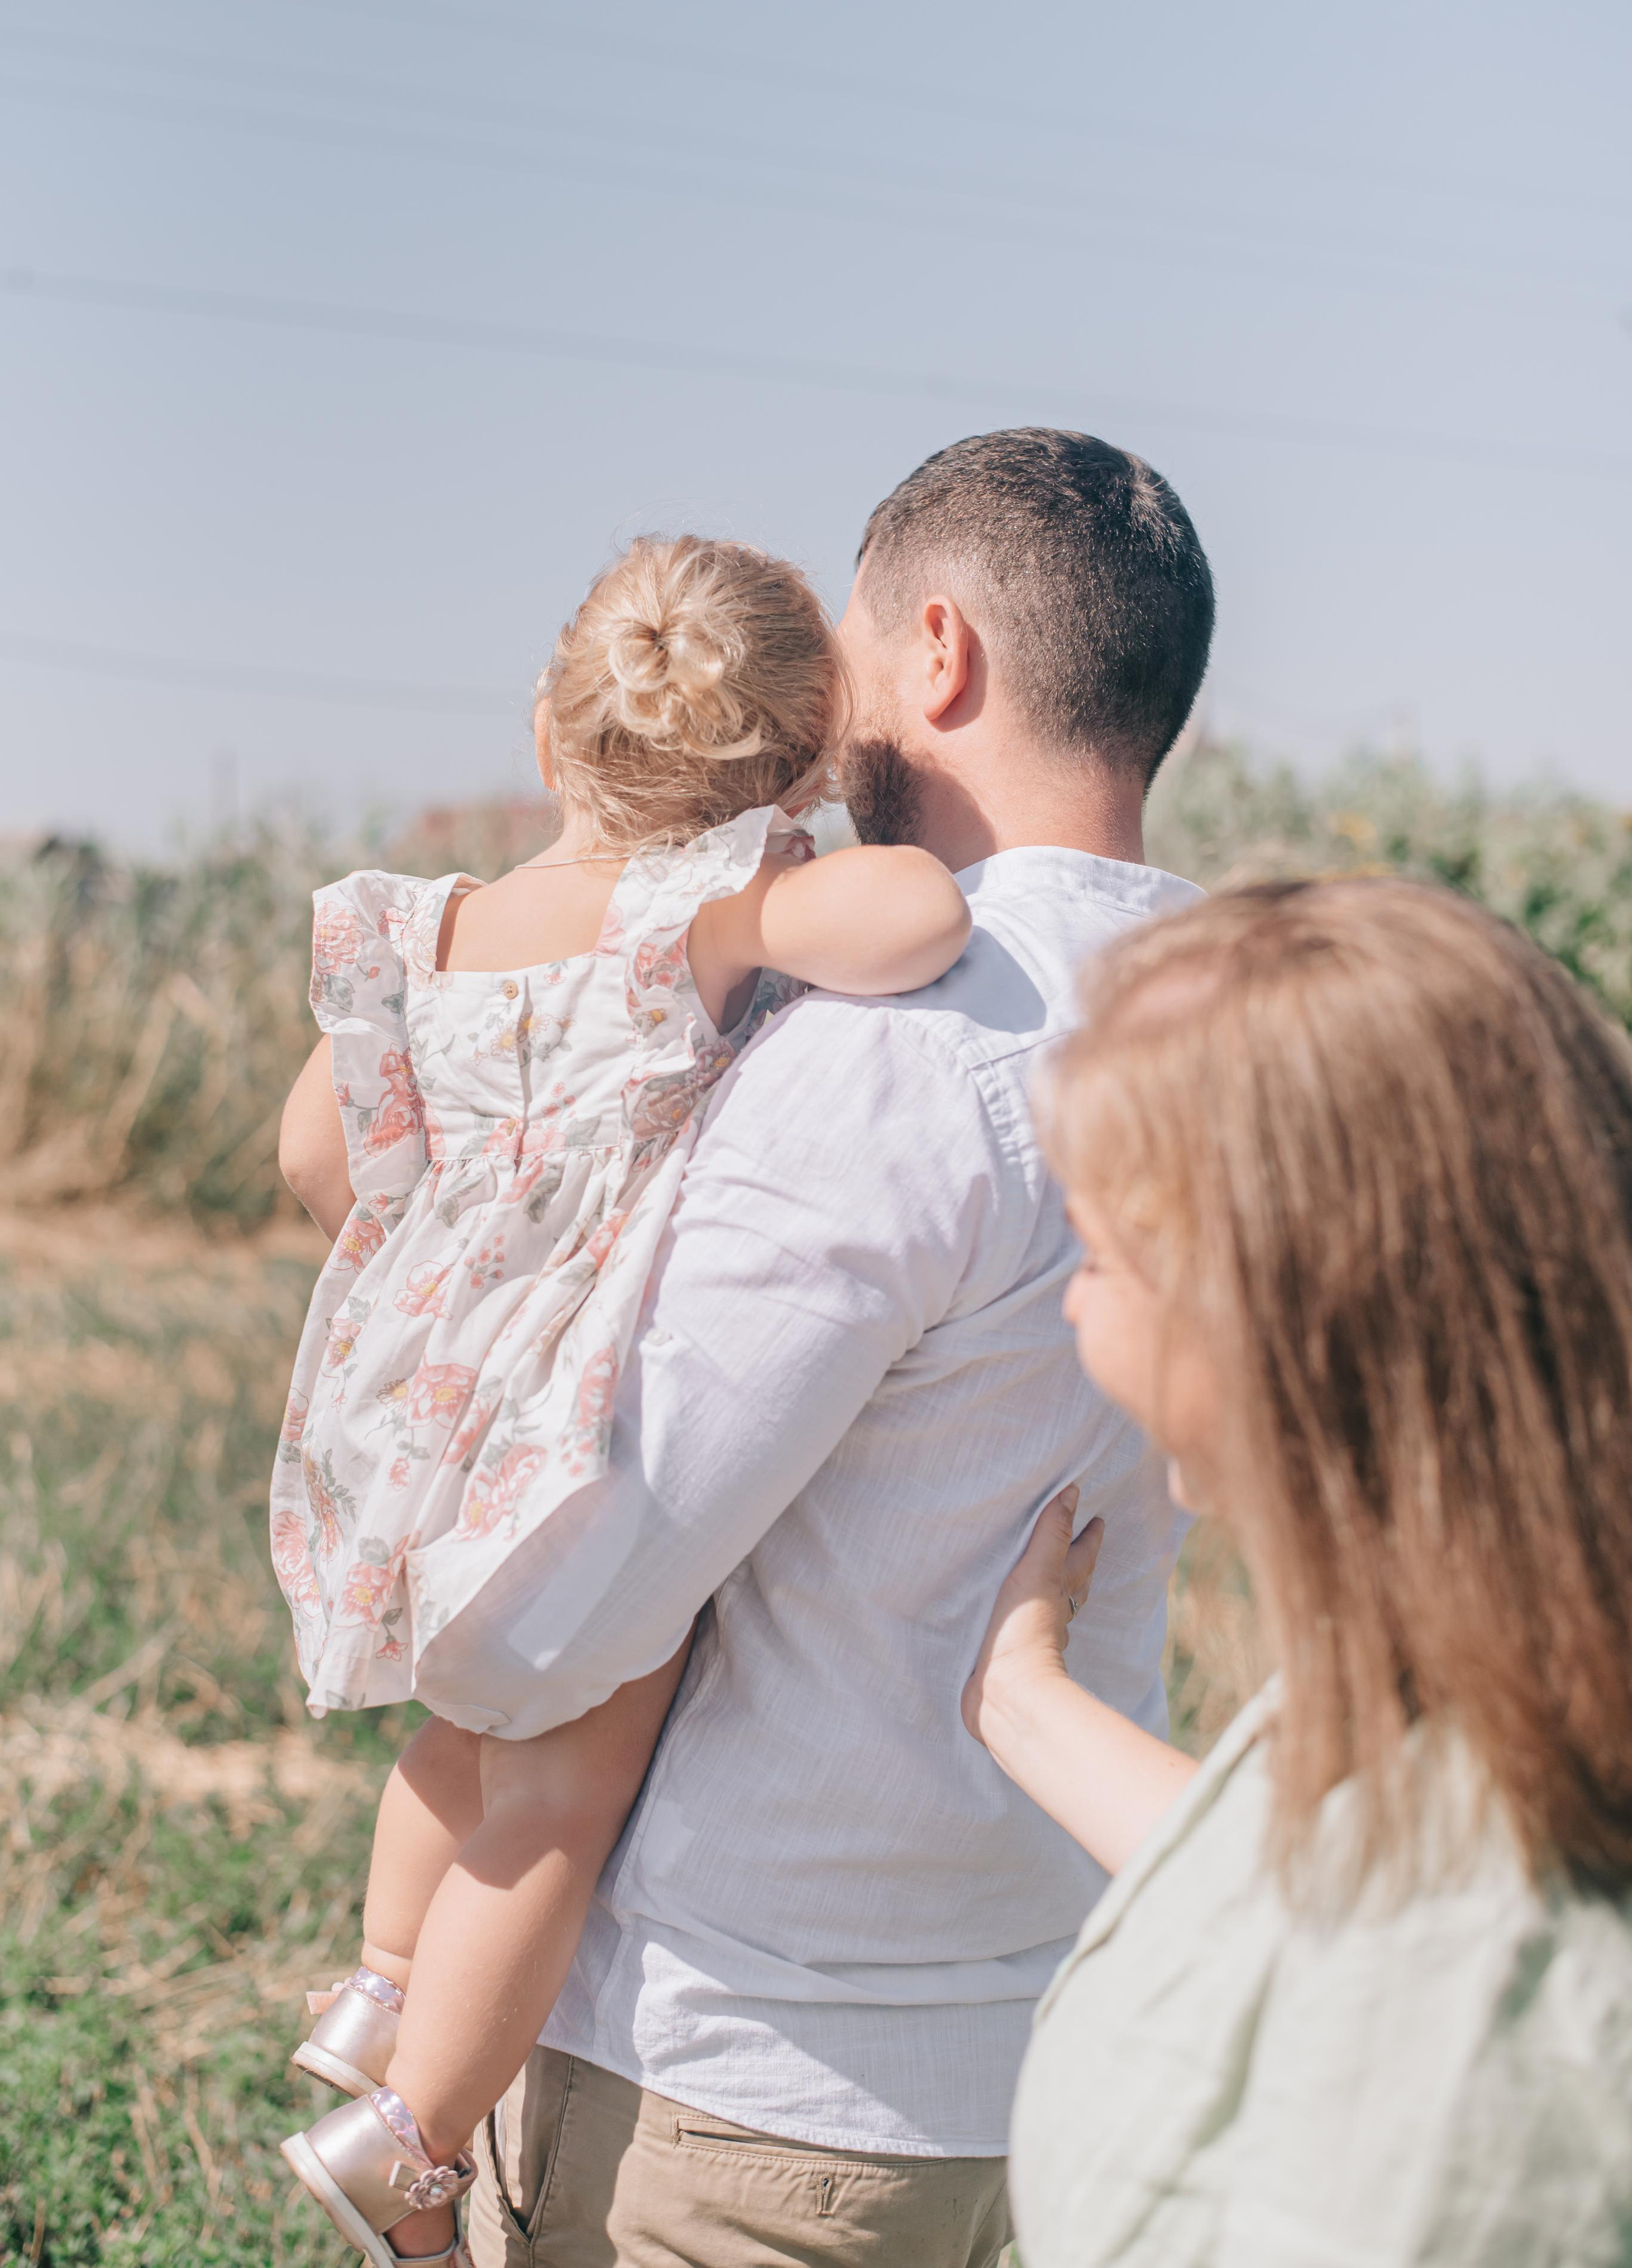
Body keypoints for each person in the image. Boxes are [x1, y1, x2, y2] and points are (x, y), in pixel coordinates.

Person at [452, 428, 1218, 2268]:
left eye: (851, 652)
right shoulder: (1248, 1020)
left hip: (744, 2080)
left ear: (938, 653)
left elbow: (572, 1598)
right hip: (1047, 2048)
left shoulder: (899, 1049)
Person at [270, 532, 975, 2267]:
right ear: (789, 767)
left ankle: (378, 1988)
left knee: (464, 1724)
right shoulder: (691, 919)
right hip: (557, 1441)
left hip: (414, 1425)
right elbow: (923, 919)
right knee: (555, 1800)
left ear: (546, 731)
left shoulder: (427, 927)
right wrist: (792, 853)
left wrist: (450, 1235)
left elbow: (310, 1159)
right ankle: (412, 2145)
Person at [964, 878, 1632, 2268]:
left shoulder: (1457, 2033)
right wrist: (1020, 1697)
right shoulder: (1501, 1667)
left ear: (1274, 1324)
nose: (1072, 1304)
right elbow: (1282, 1867)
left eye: (1098, 1259)